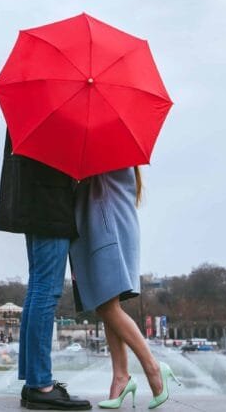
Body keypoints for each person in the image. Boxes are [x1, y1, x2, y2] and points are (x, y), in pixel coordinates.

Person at [70, 167, 179, 410]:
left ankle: (152, 367)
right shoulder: (118, 158)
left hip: (107, 231)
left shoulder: (104, 156)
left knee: (108, 308)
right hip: (112, 227)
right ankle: (121, 377)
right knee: (106, 305)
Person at [0, 131, 91, 411]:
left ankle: (35, 382)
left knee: (38, 288)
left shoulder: (33, 109)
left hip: (36, 200)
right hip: (49, 203)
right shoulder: (58, 114)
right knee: (46, 290)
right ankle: (40, 384)